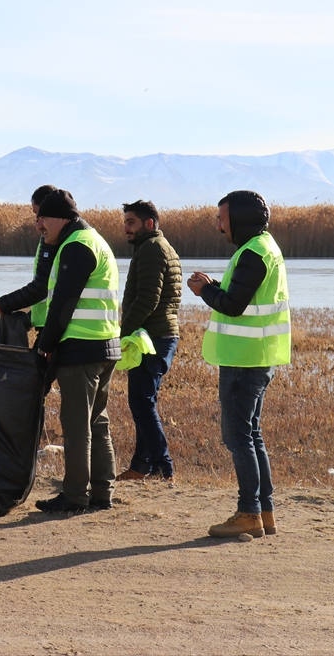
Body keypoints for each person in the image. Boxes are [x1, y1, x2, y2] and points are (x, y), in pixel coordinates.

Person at [187, 190, 290, 538]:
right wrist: (213, 285)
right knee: (252, 435)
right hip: (255, 356)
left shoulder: (254, 253)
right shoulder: (261, 248)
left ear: (240, 221)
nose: (218, 226)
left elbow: (234, 306)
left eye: (222, 218)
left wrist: (204, 292)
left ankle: (248, 513)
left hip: (244, 360)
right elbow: (241, 296)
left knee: (238, 436)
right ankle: (264, 512)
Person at [32, 189, 121, 514]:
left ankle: (75, 495)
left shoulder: (77, 246)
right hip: (105, 344)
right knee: (98, 422)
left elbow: (64, 303)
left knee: (77, 425)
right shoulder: (93, 240)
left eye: (42, 219)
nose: (39, 226)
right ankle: (102, 493)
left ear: (59, 218)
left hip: (81, 348)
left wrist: (45, 346)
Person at [116, 200, 181, 482]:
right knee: (145, 402)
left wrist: (123, 333)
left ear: (149, 224)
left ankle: (163, 468)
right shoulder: (154, 247)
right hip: (156, 335)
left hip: (152, 337)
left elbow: (148, 299)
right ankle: (142, 467)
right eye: (125, 222)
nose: (126, 228)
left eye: (131, 222)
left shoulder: (153, 249)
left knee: (141, 402)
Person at [0, 184, 60, 332]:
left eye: (38, 214)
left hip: (52, 326)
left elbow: (42, 286)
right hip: (46, 323)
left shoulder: (52, 240)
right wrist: (28, 318)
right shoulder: (47, 238)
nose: (37, 223)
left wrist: (4, 304)